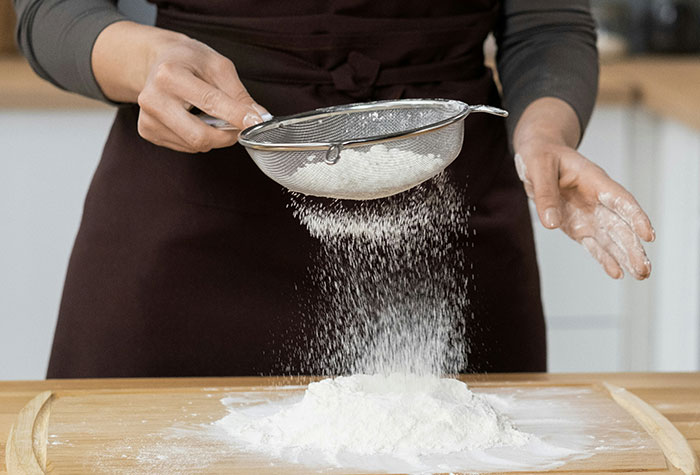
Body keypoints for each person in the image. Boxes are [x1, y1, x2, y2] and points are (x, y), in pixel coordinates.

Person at [13, 0, 654, 378]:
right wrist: (141, 59)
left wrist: (545, 134)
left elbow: (546, 24)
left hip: (445, 212)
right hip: (192, 206)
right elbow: (49, 12)